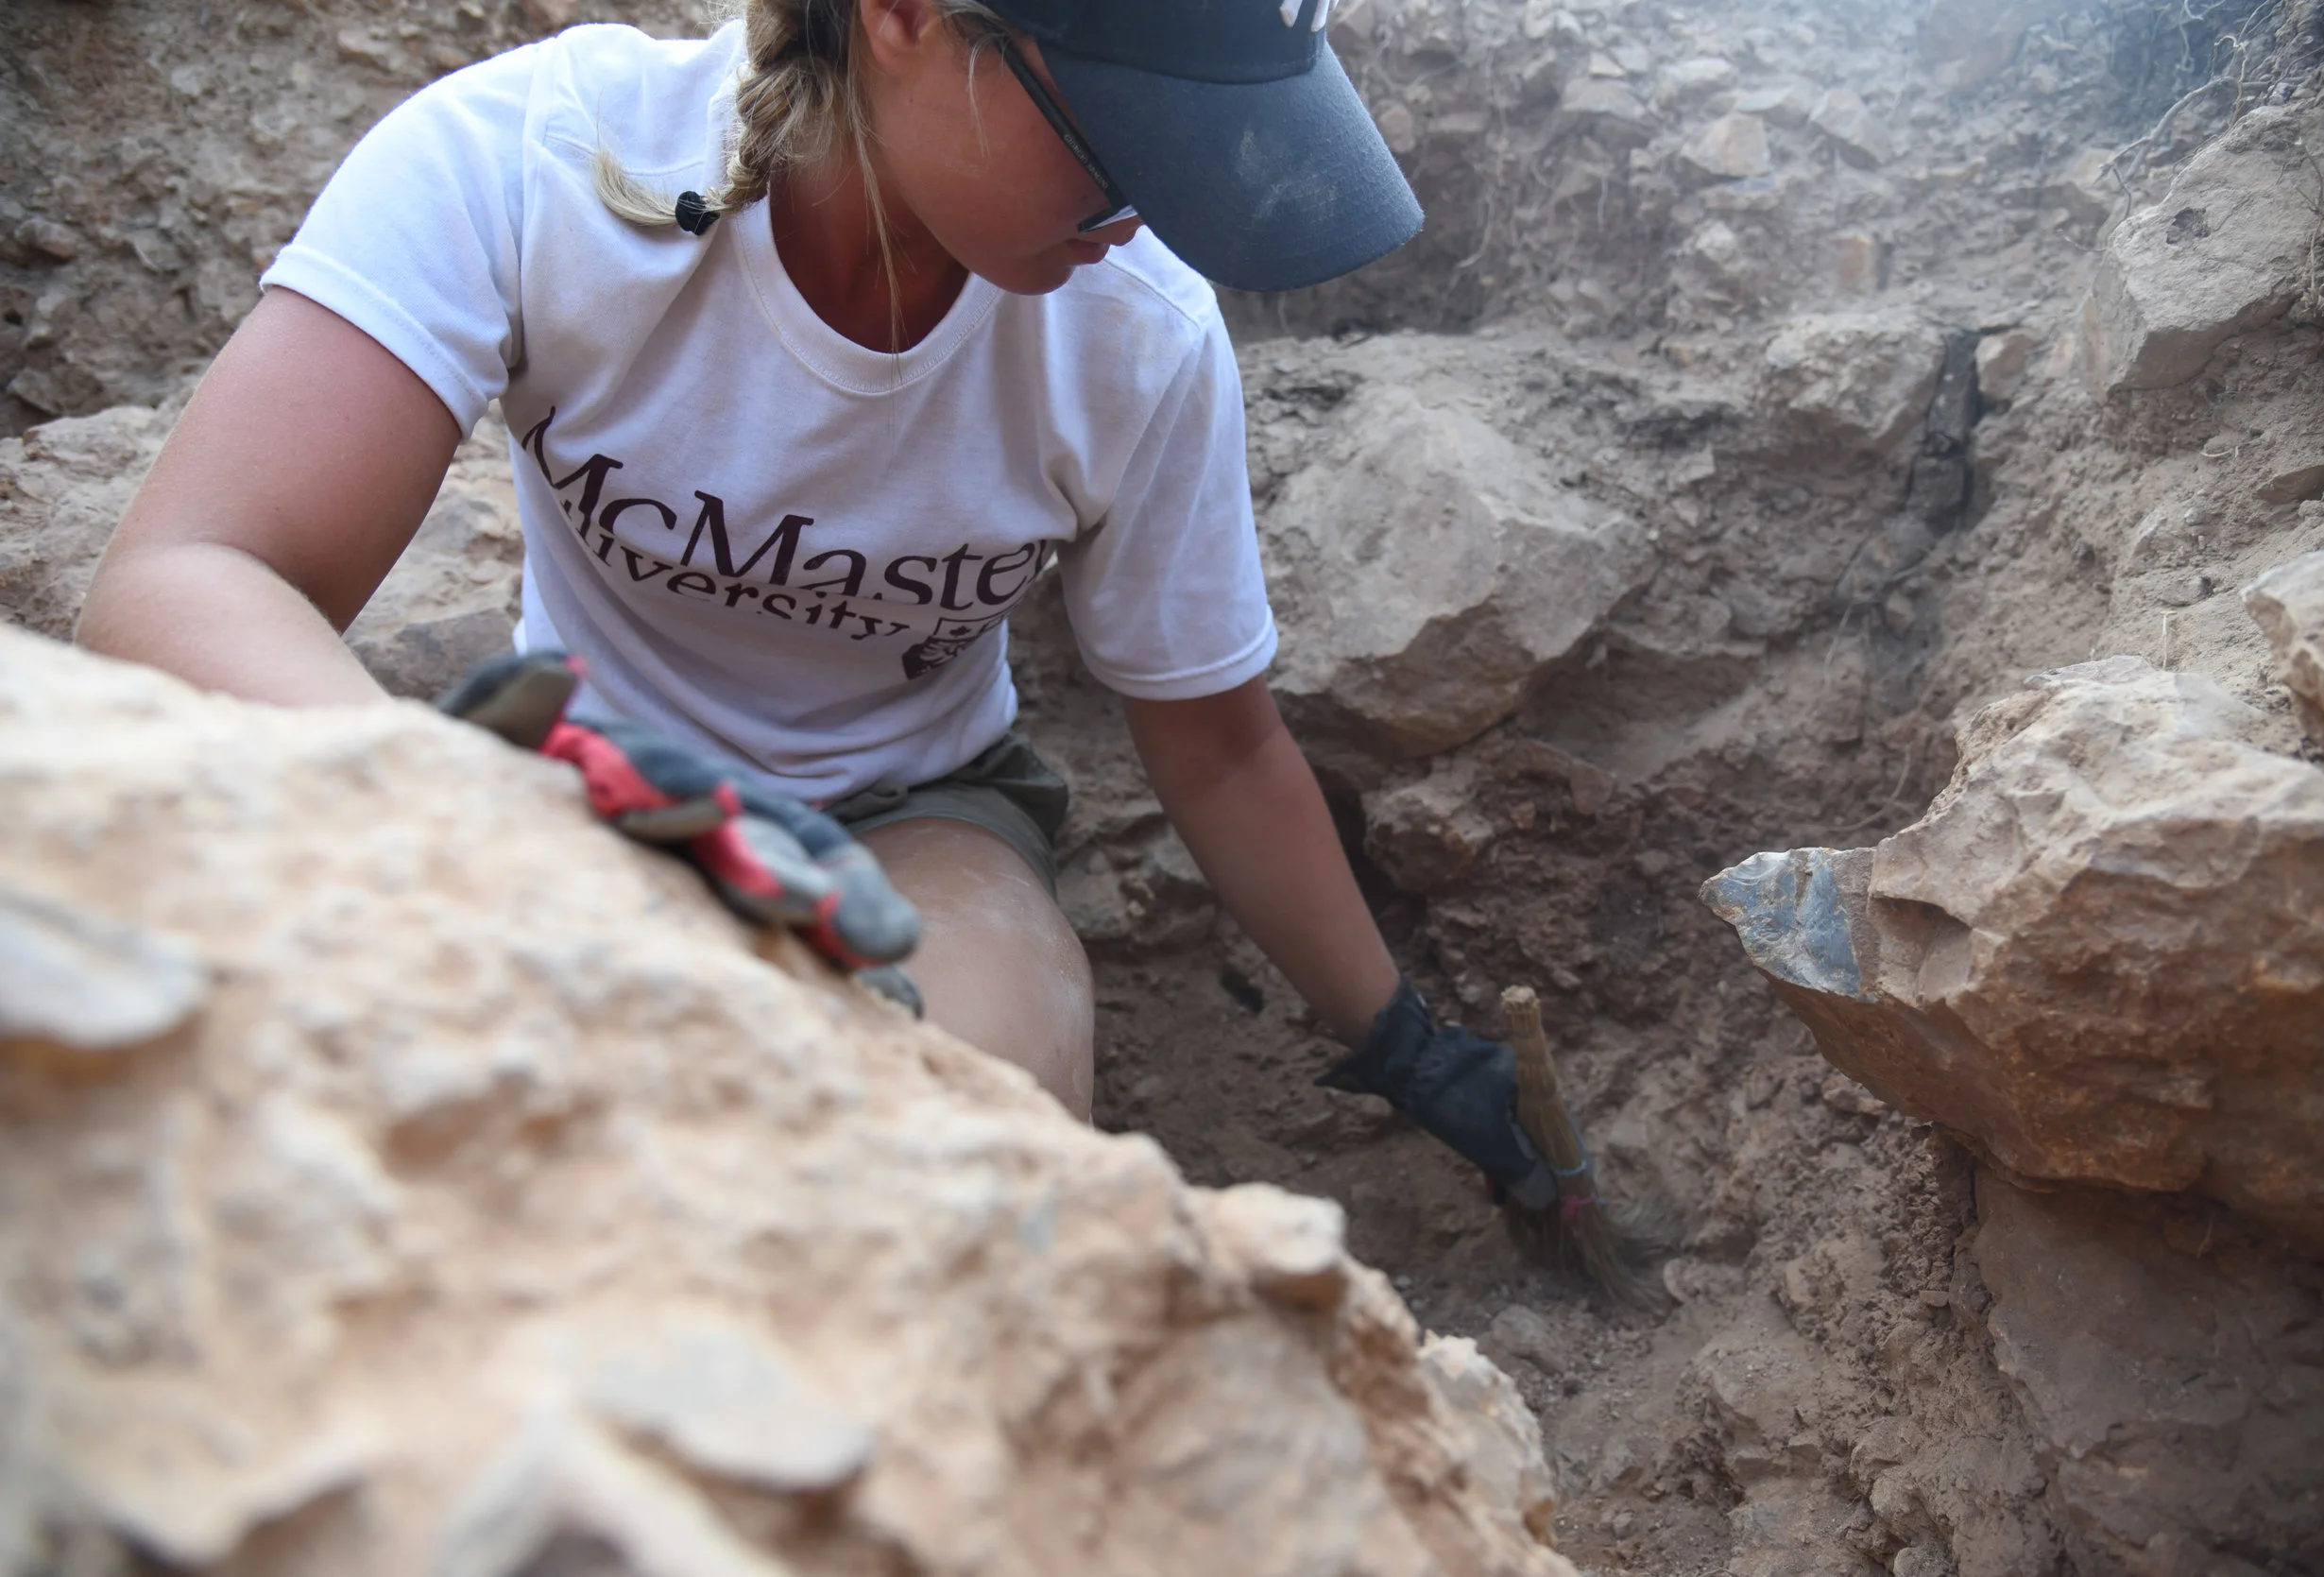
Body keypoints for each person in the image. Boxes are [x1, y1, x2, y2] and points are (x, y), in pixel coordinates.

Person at [77, 0, 1557, 1208]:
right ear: (903, 16)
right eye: (1126, 132)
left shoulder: (1136, 334)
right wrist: (499, 849)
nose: (1155, 206)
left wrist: (1408, 1044)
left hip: (911, 814)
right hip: (578, 788)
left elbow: (1223, 748)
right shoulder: (544, 167)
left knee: (962, 1138)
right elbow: (185, 580)